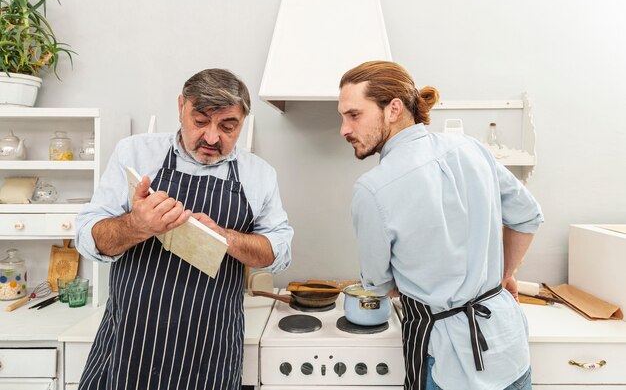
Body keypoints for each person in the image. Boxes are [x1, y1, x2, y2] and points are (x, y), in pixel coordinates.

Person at [75, 68, 293, 390]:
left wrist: (226, 238)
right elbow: (88, 238)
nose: (212, 138)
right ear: (181, 107)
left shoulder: (259, 175)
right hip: (130, 344)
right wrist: (137, 225)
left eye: (228, 126)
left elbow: (279, 253)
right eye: (200, 121)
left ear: (243, 121)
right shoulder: (134, 153)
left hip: (210, 351)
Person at [337, 61, 543, 390]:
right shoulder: (472, 149)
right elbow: (528, 216)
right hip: (509, 348)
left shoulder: (373, 188)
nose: (344, 129)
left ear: (393, 109)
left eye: (354, 115)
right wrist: (502, 276)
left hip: (449, 363)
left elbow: (377, 285)